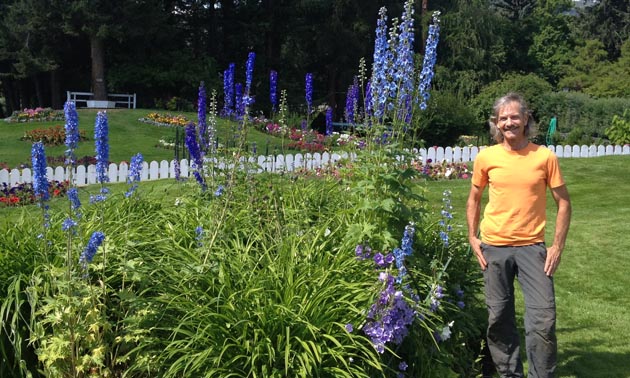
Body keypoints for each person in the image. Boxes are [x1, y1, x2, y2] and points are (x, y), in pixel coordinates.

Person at [466, 93, 572, 378]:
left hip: (532, 249)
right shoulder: (486, 157)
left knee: (542, 319)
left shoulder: (544, 157)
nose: (509, 122)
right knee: (499, 318)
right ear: (496, 123)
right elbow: (474, 198)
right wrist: (472, 237)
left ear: (526, 119)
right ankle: (509, 374)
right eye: (503, 118)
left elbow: (563, 202)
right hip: (494, 248)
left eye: (515, 116)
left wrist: (557, 246)